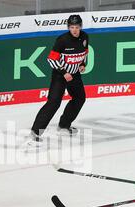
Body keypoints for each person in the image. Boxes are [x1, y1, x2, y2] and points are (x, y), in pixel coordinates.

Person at [27, 14, 89, 147]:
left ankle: (64, 125)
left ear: (80, 27)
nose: (74, 30)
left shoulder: (84, 37)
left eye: (77, 27)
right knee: (54, 102)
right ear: (68, 27)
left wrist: (83, 64)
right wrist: (64, 72)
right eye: (72, 27)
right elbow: (51, 59)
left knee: (80, 98)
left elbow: (84, 53)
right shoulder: (62, 40)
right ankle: (35, 132)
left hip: (75, 74)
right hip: (60, 75)